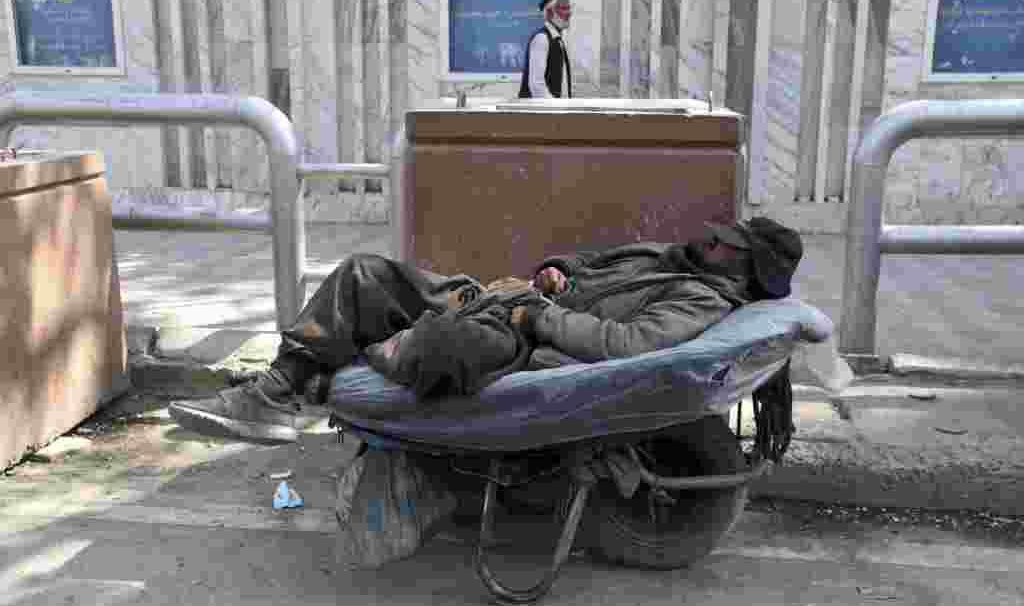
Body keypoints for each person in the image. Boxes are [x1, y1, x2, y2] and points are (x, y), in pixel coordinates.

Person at [168, 218, 803, 444]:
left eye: (727, 244)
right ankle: (282, 387)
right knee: (366, 273)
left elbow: (625, 346)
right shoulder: (670, 255)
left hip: (530, 335)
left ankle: (295, 386)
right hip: (518, 302)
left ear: (745, 268)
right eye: (721, 234)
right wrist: (555, 272)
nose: (713, 239)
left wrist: (539, 315)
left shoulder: (698, 296)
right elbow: (587, 263)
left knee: (442, 348)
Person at [518, 0, 572, 99]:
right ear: (548, 13)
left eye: (569, 8)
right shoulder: (542, 39)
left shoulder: (557, 40)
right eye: (563, 8)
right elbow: (537, 86)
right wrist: (555, 109)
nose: (569, 13)